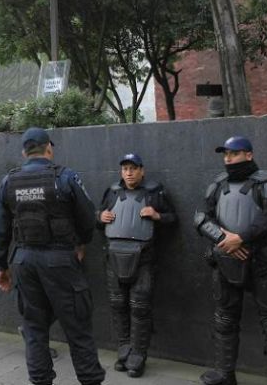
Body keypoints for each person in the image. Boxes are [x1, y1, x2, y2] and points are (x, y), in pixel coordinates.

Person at [0, 127, 106, 385]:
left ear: (24, 153)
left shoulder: (9, 181)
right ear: (49, 149)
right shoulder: (65, 177)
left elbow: (0, 229)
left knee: (34, 330)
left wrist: (1, 265)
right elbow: (87, 218)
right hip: (61, 260)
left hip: (24, 262)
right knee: (78, 329)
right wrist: (81, 243)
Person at [193, 136, 267, 385]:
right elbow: (201, 217)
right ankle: (225, 374)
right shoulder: (218, 184)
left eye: (234, 153)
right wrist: (223, 239)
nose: (229, 159)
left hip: (259, 261)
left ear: (249, 155)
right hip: (224, 259)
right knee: (224, 319)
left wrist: (240, 239)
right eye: (226, 154)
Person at [96, 153, 176, 378]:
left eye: (133, 168)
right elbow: (98, 219)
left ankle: (138, 355)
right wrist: (100, 217)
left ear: (142, 170)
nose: (129, 173)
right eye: (125, 169)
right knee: (117, 305)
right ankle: (124, 350)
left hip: (143, 260)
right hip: (114, 259)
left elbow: (173, 219)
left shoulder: (155, 192)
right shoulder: (112, 192)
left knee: (140, 308)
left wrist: (157, 215)